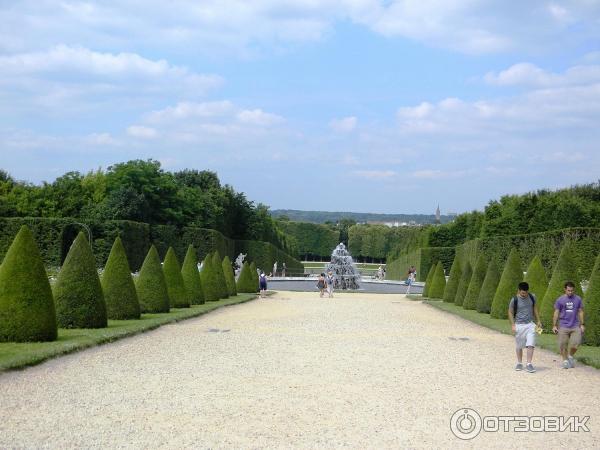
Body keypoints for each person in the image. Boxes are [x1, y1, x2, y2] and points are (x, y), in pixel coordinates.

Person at [508, 282, 542, 373]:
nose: (524, 294)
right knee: (519, 346)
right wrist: (513, 325)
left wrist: (538, 320)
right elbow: (510, 312)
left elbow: (535, 308)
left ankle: (529, 364)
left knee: (530, 344)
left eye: (526, 293)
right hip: (519, 325)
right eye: (522, 293)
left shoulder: (532, 297)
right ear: (519, 290)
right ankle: (519, 363)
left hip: (530, 324)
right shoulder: (514, 300)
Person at [552, 281, 585, 369]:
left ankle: (570, 356)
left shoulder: (578, 299)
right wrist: (554, 325)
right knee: (562, 345)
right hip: (563, 325)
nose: (570, 292)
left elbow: (580, 311)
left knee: (576, 344)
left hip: (575, 325)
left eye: (572, 291)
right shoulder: (560, 300)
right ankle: (565, 361)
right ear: (565, 290)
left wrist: (582, 324)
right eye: (568, 290)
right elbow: (556, 312)